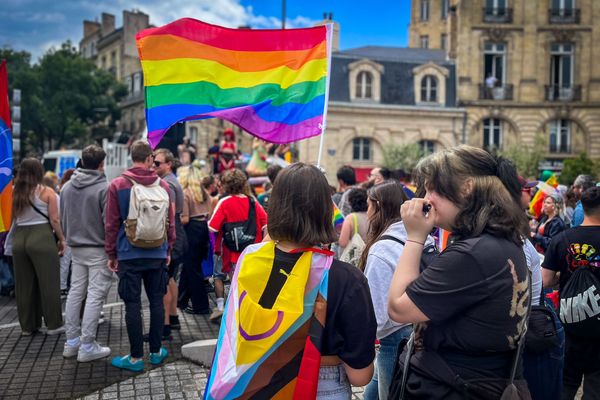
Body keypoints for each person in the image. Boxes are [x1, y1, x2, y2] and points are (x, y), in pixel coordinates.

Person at [205, 163, 377, 399]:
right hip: (322, 385)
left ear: (274, 206)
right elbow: (361, 376)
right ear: (326, 210)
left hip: (249, 383)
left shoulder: (249, 261)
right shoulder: (347, 279)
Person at [387, 145, 531, 398]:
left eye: (434, 189)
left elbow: (399, 307)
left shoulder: (472, 253)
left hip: (455, 385)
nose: (426, 198)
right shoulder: (502, 241)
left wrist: (415, 237)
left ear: (466, 189)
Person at [105, 140, 175, 371]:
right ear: (149, 159)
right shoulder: (163, 186)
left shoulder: (117, 184)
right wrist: (168, 249)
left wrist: (111, 253)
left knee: (132, 304)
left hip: (128, 254)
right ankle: (155, 351)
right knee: (156, 301)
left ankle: (135, 358)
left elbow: (111, 224)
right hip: (157, 252)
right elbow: (170, 223)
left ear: (131, 157)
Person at [361, 181, 431, 400]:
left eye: (368, 206)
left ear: (378, 207)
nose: (366, 212)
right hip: (421, 331)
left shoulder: (381, 249)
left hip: (394, 340)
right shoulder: (422, 237)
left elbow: (377, 315)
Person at [542, 186, 600, 400]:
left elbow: (546, 280)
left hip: (570, 321)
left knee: (566, 383)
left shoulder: (562, 238)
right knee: (596, 386)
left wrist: (564, 276)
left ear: (582, 208)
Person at [61, 145, 113, 362]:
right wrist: (112, 251)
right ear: (101, 164)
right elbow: (109, 223)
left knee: (76, 292)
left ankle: (71, 342)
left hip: (76, 246)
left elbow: (63, 219)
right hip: (97, 246)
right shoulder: (104, 188)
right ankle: (87, 345)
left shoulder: (66, 187)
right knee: (94, 295)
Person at [11, 158, 65, 335]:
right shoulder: (46, 191)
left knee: (24, 285)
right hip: (41, 236)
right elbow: (54, 220)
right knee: (49, 282)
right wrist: (61, 239)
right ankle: (54, 324)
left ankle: (28, 326)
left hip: (19, 239)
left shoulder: (14, 192)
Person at [208, 169, 267, 322]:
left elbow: (212, 227)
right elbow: (265, 224)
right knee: (248, 284)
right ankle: (247, 312)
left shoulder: (224, 202)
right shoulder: (253, 201)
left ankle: (234, 315)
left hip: (231, 252)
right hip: (251, 251)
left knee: (234, 282)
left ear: (227, 185)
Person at [152, 148, 186, 339]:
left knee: (163, 281)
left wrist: (167, 243)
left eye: (157, 163)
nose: (154, 166)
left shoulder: (167, 184)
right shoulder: (172, 181)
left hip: (173, 235)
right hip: (178, 234)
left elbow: (170, 216)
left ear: (168, 164)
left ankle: (164, 327)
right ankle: (173, 318)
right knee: (171, 277)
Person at [177, 160, 212, 315]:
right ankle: (181, 300)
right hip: (203, 228)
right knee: (190, 267)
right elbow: (209, 213)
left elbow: (184, 219)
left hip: (191, 230)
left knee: (193, 269)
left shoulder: (185, 194)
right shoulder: (203, 193)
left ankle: (201, 305)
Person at [338, 187, 369, 252]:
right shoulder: (372, 216)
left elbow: (343, 243)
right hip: (368, 254)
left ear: (350, 201)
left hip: (354, 257)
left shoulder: (351, 218)